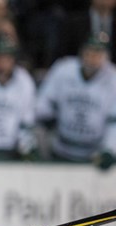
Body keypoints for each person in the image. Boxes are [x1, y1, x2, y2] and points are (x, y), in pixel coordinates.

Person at [36, 33, 116, 169]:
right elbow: (42, 106)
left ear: (105, 57)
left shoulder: (113, 79)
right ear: (82, 53)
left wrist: (110, 150)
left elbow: (113, 122)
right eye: (89, 52)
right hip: (59, 148)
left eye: (98, 53)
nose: (92, 57)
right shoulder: (63, 69)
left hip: (94, 156)